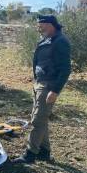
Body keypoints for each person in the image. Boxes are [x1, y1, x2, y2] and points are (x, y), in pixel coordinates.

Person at [14, 14, 71, 164]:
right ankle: (44, 152)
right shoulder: (47, 39)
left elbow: (65, 69)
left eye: (41, 25)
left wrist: (55, 90)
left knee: (37, 120)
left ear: (50, 25)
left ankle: (30, 153)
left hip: (48, 85)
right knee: (41, 119)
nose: (39, 28)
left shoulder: (60, 41)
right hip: (40, 83)